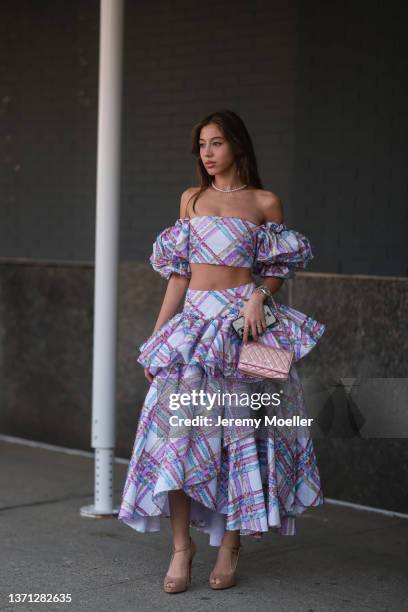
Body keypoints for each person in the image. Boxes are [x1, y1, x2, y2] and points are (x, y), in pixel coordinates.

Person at [118, 109, 326, 593]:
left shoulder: (265, 201)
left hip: (246, 329)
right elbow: (179, 274)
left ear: (237, 144)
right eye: (201, 146)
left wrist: (259, 294)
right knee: (179, 434)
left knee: (245, 437)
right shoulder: (191, 199)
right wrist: (157, 339)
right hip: (191, 329)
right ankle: (181, 549)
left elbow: (280, 266)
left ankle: (231, 544)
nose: (207, 154)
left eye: (215, 143)